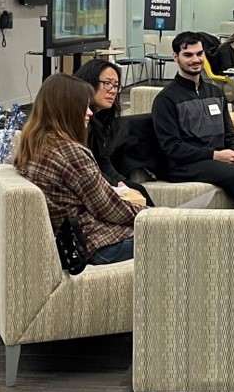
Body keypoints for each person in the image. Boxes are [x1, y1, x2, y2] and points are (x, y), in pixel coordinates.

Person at [14, 73, 144, 264]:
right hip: (97, 245)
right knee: (179, 234)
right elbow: (109, 209)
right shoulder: (69, 153)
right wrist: (151, 215)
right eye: (85, 107)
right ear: (68, 109)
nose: (90, 113)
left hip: (77, 241)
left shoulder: (35, 143)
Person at [152, 31, 234, 209]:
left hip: (219, 157)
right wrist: (215, 155)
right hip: (184, 164)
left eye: (199, 54)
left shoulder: (215, 92)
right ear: (176, 57)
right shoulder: (166, 99)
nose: (196, 59)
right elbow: (172, 147)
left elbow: (229, 131)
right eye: (188, 55)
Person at [73, 60, 155, 206]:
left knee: (137, 190)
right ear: (89, 83)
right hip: (89, 185)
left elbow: (103, 159)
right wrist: (117, 186)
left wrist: (119, 182)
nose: (113, 90)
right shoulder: (79, 121)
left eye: (116, 86)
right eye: (107, 83)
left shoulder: (103, 120)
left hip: (99, 180)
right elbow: (87, 170)